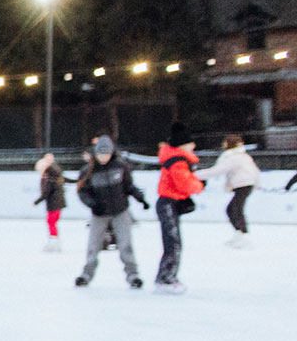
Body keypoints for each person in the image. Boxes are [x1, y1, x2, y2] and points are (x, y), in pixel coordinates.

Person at [74, 136, 148, 289]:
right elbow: (82, 191)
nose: (103, 157)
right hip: (99, 214)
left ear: (112, 153)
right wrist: (93, 204)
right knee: (93, 245)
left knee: (125, 244)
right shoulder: (88, 170)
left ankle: (133, 275)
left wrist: (140, 198)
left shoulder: (120, 167)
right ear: (96, 153)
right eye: (100, 154)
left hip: (120, 212)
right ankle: (86, 274)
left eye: (106, 154)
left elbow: (129, 186)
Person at [153, 122, 203, 294]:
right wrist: (199, 185)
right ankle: (166, 278)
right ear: (182, 145)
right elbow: (184, 184)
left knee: (173, 242)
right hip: (168, 203)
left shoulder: (178, 160)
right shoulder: (178, 162)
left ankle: (166, 276)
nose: (194, 146)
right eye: (190, 144)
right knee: (173, 243)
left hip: (170, 203)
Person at [194, 135, 259, 249]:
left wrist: (194, 175)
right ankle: (240, 234)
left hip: (244, 184)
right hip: (245, 184)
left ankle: (244, 236)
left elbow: (217, 170)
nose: (223, 144)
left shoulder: (234, 157)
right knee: (232, 209)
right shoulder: (240, 155)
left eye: (224, 142)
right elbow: (255, 170)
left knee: (236, 209)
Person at [33, 153, 72, 253]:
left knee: (51, 222)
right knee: (52, 222)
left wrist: (36, 202)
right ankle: (55, 243)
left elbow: (46, 193)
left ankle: (54, 243)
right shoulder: (55, 176)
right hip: (57, 203)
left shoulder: (50, 178)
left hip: (53, 204)